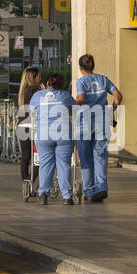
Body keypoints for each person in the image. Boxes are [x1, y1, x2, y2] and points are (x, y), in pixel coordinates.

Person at [73, 53, 122, 203]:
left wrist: (72, 104)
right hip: (101, 122)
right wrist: (111, 109)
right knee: (100, 155)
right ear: (92, 66)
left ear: (81, 68)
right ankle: (102, 188)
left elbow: (81, 99)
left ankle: (89, 190)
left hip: (85, 123)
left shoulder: (81, 82)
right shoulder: (103, 79)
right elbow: (118, 96)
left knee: (86, 157)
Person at [29, 73, 75, 205]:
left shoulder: (38, 96)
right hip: (64, 135)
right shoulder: (66, 95)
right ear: (61, 85)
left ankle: (43, 194)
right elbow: (75, 109)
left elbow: (32, 112)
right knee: (64, 164)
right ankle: (67, 196)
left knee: (46, 164)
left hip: (44, 134)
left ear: (47, 83)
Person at [16, 66, 43, 190]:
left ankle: (25, 183)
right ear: (34, 77)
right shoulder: (36, 90)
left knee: (26, 156)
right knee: (38, 157)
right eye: (39, 76)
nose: (40, 79)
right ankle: (31, 181)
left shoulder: (22, 91)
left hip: (22, 125)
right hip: (34, 126)